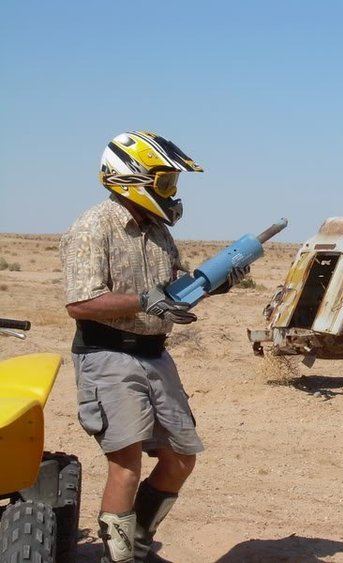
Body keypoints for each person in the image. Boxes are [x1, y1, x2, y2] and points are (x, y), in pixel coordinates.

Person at [60, 131, 246, 562]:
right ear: (130, 180)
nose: (171, 193)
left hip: (154, 353)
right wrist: (145, 299)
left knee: (181, 457)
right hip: (106, 355)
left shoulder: (158, 230)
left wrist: (214, 284)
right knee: (125, 465)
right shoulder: (92, 227)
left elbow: (174, 288)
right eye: (164, 183)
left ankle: (134, 543)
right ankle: (119, 558)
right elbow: (80, 302)